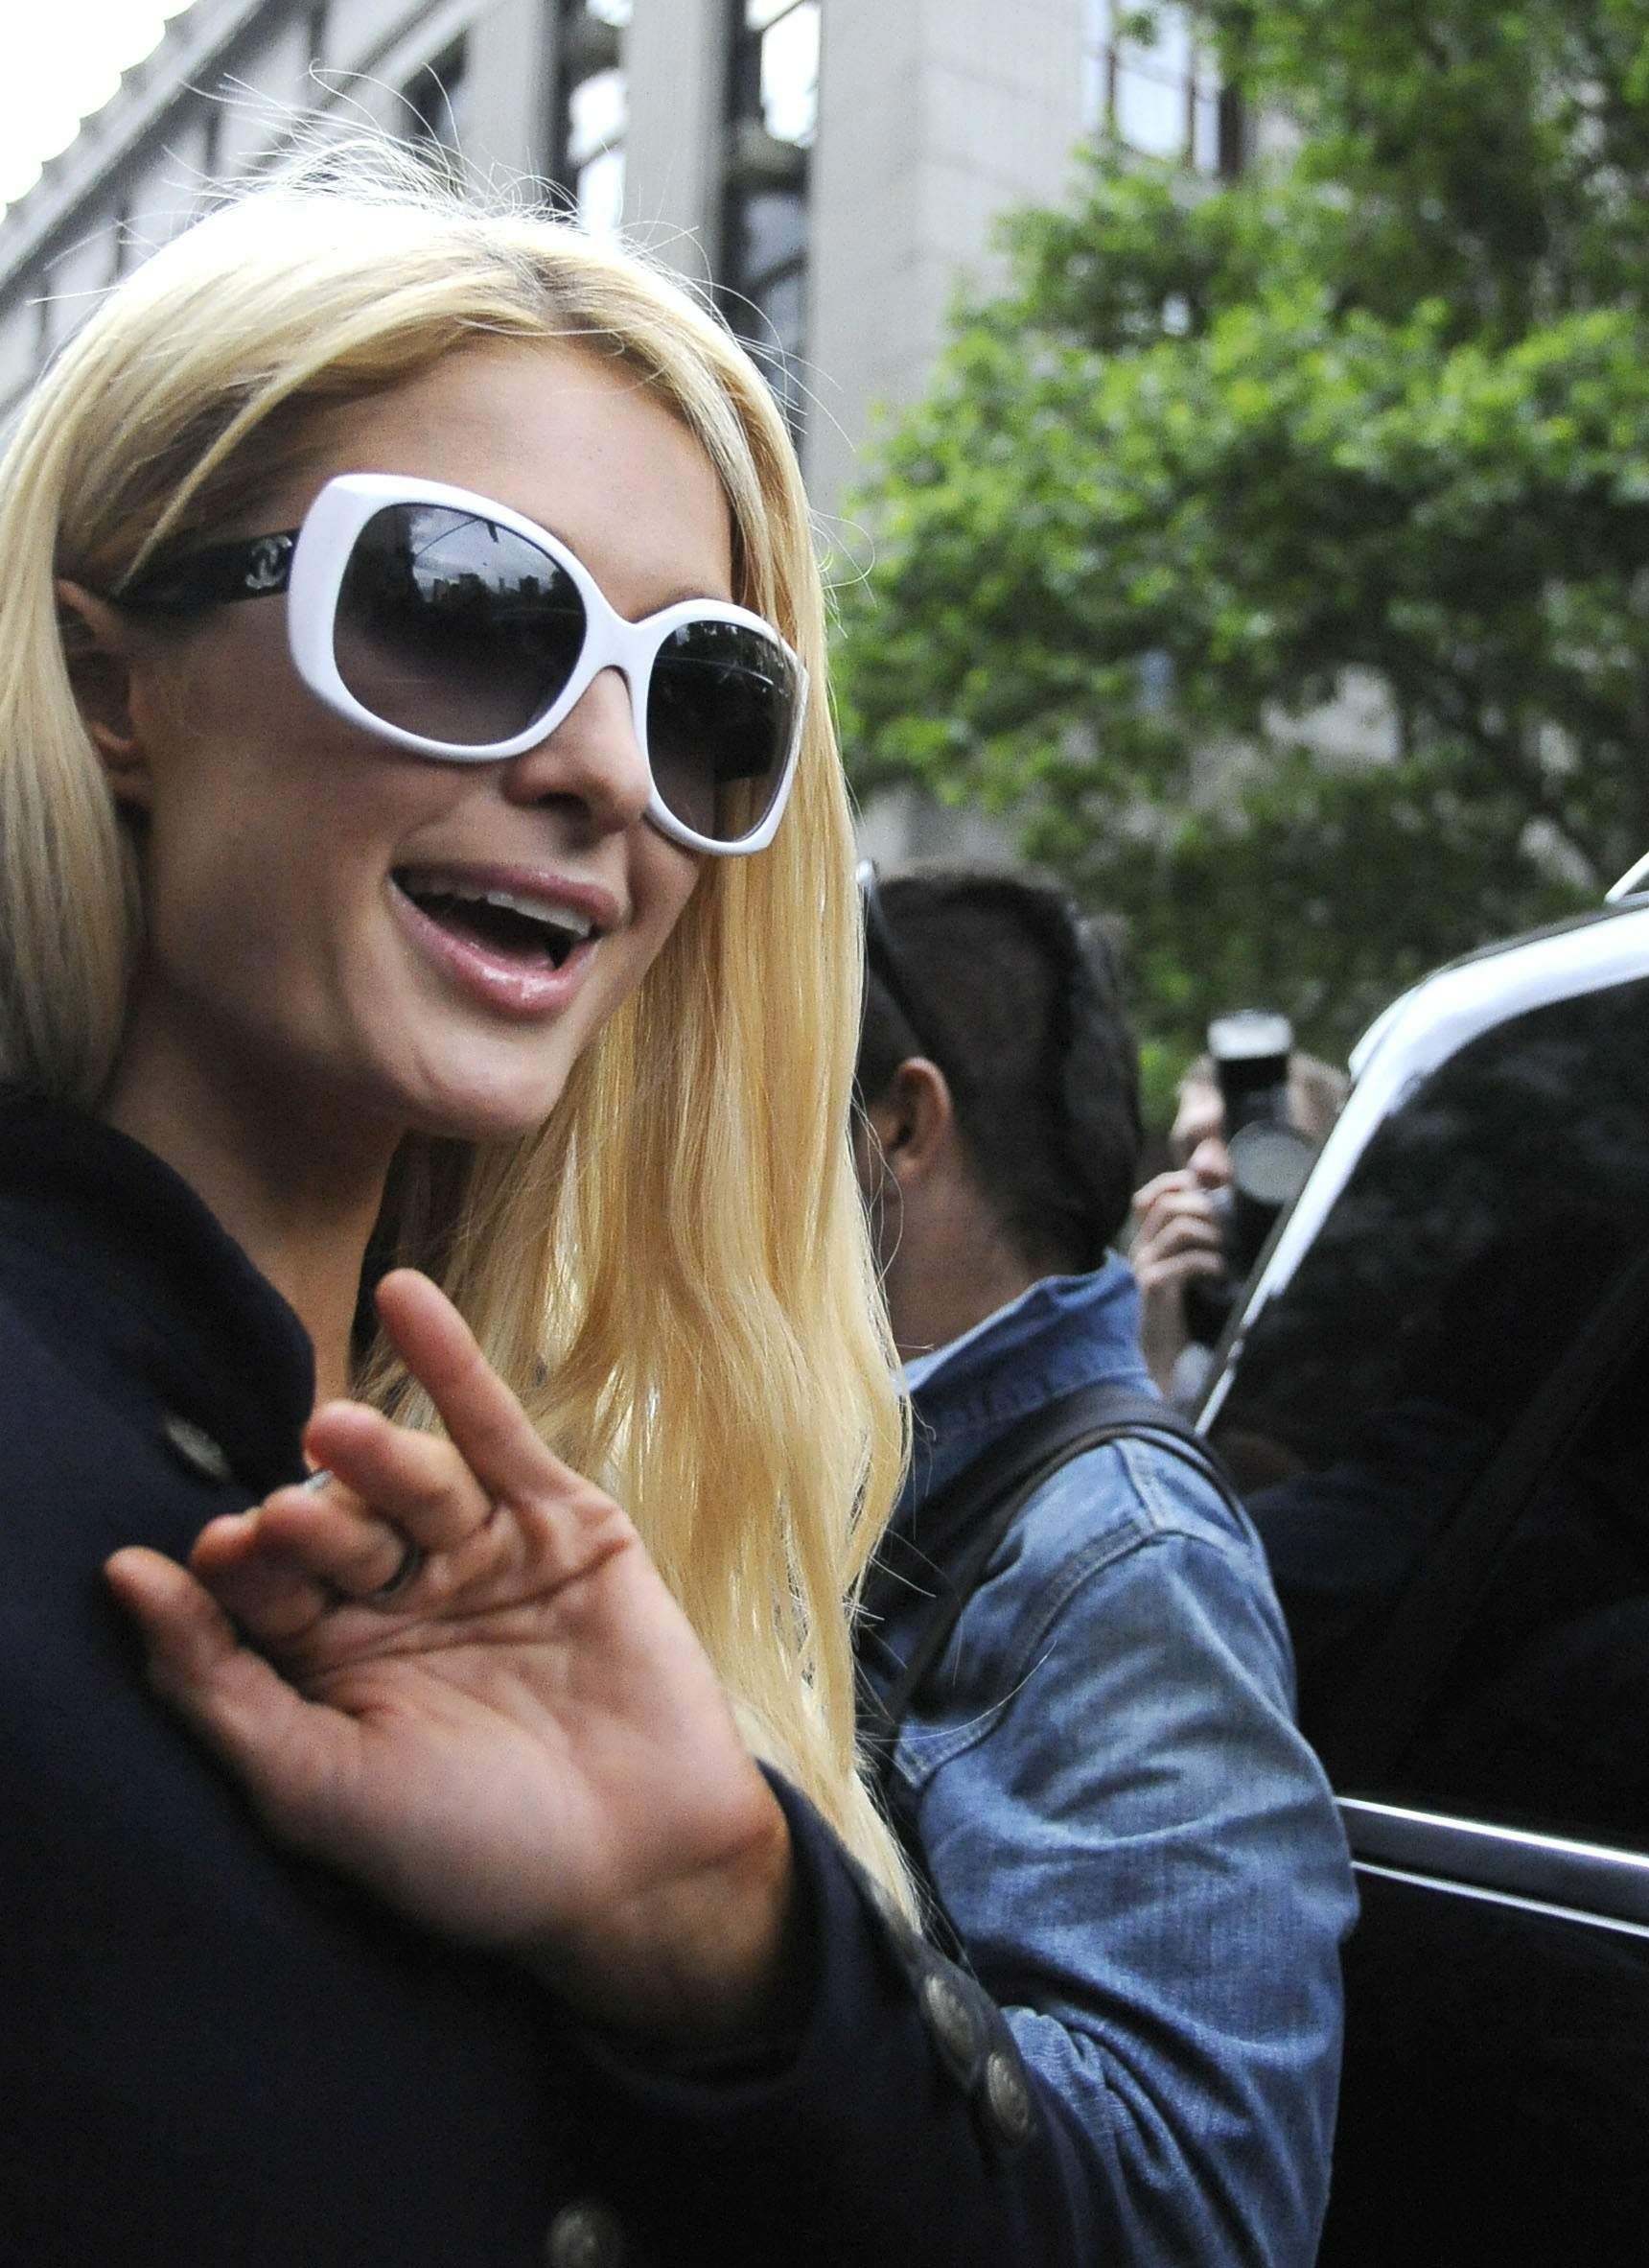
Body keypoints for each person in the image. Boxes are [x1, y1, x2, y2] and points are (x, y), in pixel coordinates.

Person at [0, 156, 1119, 2268]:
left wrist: (714, 1926)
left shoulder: (608, 1531)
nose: (610, 770)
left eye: (701, 694)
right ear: (108, 687)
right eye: (464, 605)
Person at [851, 862, 1358, 2268]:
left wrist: (744, 1947)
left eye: (772, 1101)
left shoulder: (1127, 1555)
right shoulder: (881, 1460)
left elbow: (1197, 2203)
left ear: (899, 1124)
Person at [1133, 1043, 1350, 1402]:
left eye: (1246, 1140)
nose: (1202, 1165)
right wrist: (1151, 1354)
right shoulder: (1180, 1329)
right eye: (1189, 1148)